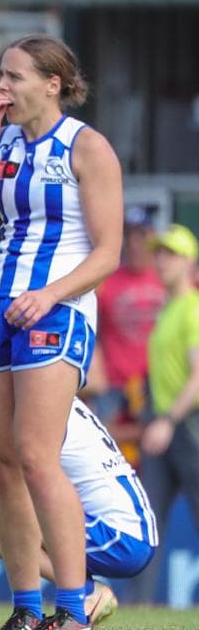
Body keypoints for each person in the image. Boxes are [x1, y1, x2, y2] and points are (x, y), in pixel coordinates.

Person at [0, 34, 124, 630]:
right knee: (3, 461)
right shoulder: (4, 142)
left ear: (53, 83)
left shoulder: (87, 147)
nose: (2, 87)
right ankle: (25, 609)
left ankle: (71, 609)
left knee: (40, 457)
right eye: (1, 74)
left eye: (15, 76)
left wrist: (49, 294)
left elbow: (109, 252)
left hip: (55, 307)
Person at [0, 397, 156, 626]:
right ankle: (78, 595)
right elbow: (0, 493)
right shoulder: (51, 394)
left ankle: (85, 593)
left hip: (121, 536)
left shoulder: (35, 411)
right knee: (0, 517)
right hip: (128, 529)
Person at [126, 224, 199, 604]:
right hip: (164, 427)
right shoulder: (170, 308)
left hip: (187, 428)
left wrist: (168, 421)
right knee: (146, 524)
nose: (161, 260)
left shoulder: (193, 308)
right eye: (159, 252)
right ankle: (137, 608)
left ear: (189, 261)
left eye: (170, 253)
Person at [90, 206, 164, 462]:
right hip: (115, 384)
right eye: (129, 236)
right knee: (102, 447)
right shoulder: (106, 280)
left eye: (141, 236)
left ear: (152, 236)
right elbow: (90, 328)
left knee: (160, 450)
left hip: (157, 385)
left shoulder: (167, 275)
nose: (134, 244)